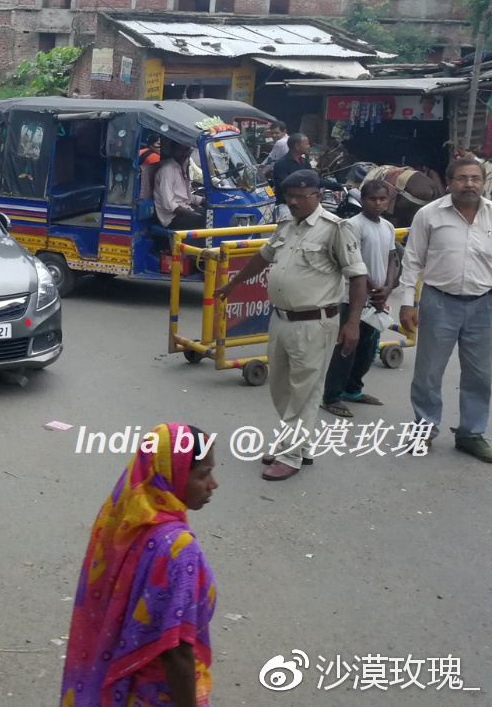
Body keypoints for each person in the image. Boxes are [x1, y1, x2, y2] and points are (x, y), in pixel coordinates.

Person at [217, 170, 366, 481]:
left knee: (304, 391)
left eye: (301, 196)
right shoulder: (286, 224)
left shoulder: (336, 229)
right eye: (290, 197)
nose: (294, 202)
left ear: (318, 195)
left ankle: (290, 454)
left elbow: (357, 276)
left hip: (315, 323)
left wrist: (353, 322)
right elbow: (263, 256)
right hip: (281, 318)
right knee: (282, 387)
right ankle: (299, 444)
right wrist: (234, 283)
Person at [59, 423, 218, 707]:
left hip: (119, 674)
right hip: (156, 692)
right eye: (203, 474)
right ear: (174, 473)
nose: (213, 484)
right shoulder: (179, 549)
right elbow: (176, 650)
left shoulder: (126, 522)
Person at [396, 156, 492, 462]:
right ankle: (424, 430)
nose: (469, 184)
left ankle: (471, 434)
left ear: (483, 182)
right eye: (462, 178)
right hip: (439, 302)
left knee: (481, 375)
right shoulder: (429, 214)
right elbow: (412, 260)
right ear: (449, 183)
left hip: (484, 304)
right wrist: (407, 302)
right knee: (428, 373)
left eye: (475, 178)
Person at [319, 180, 396, 419]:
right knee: (346, 347)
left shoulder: (388, 226)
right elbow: (352, 263)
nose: (378, 203)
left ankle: (353, 390)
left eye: (382, 199)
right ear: (362, 200)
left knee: (367, 349)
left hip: (376, 299)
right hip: (351, 297)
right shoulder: (352, 226)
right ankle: (331, 396)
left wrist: (388, 287)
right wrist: (372, 287)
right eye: (372, 199)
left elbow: (392, 258)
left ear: (388, 201)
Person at [155, 140, 206, 231]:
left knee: (212, 213)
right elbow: (168, 205)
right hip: (171, 218)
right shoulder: (167, 171)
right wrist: (192, 213)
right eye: (180, 150)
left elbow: (185, 196)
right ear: (173, 151)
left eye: (186, 150)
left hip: (185, 208)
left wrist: (203, 200)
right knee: (206, 221)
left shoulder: (182, 166)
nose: (184, 154)